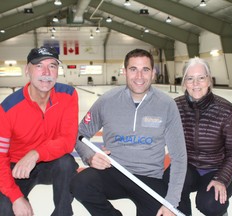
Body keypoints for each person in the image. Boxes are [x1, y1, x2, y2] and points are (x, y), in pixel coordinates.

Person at [70, 48, 187, 216]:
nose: (139, 76)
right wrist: (90, 156)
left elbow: (179, 157)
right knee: (80, 183)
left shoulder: (166, 105)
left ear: (153, 73)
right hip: (113, 172)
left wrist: (171, 201)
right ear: (124, 72)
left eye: (145, 70)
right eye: (133, 69)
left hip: (149, 178)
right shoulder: (107, 101)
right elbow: (79, 132)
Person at [0, 46, 79, 216]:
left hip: (49, 162)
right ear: (27, 70)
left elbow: (67, 140)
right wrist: (16, 198)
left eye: (52, 66)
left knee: (66, 163)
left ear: (58, 71)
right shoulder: (8, 109)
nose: (46, 72)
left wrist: (36, 153)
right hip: (17, 167)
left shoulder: (68, 95)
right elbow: (0, 158)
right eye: (38, 66)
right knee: (5, 209)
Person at [171, 57, 232, 216]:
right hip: (188, 168)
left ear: (209, 80)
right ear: (184, 83)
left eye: (201, 78)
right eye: (190, 78)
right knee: (170, 184)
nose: (196, 83)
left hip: (217, 169)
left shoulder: (226, 110)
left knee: (210, 203)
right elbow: (155, 135)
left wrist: (222, 178)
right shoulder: (175, 107)